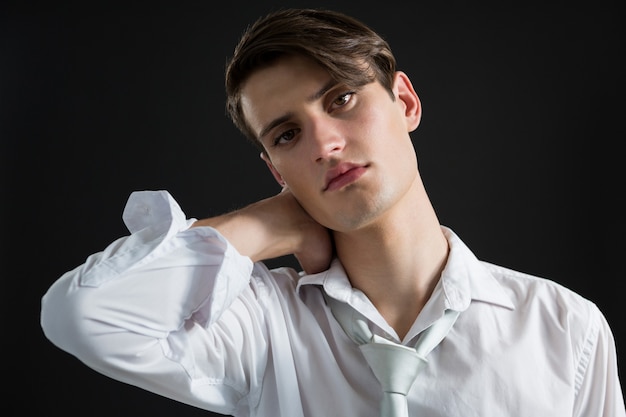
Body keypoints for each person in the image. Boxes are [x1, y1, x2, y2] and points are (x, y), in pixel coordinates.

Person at [40, 8, 624, 417]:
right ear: (276, 172)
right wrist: (270, 223)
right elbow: (84, 314)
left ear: (405, 101)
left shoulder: (564, 329)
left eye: (341, 98)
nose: (324, 144)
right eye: (289, 134)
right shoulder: (262, 325)